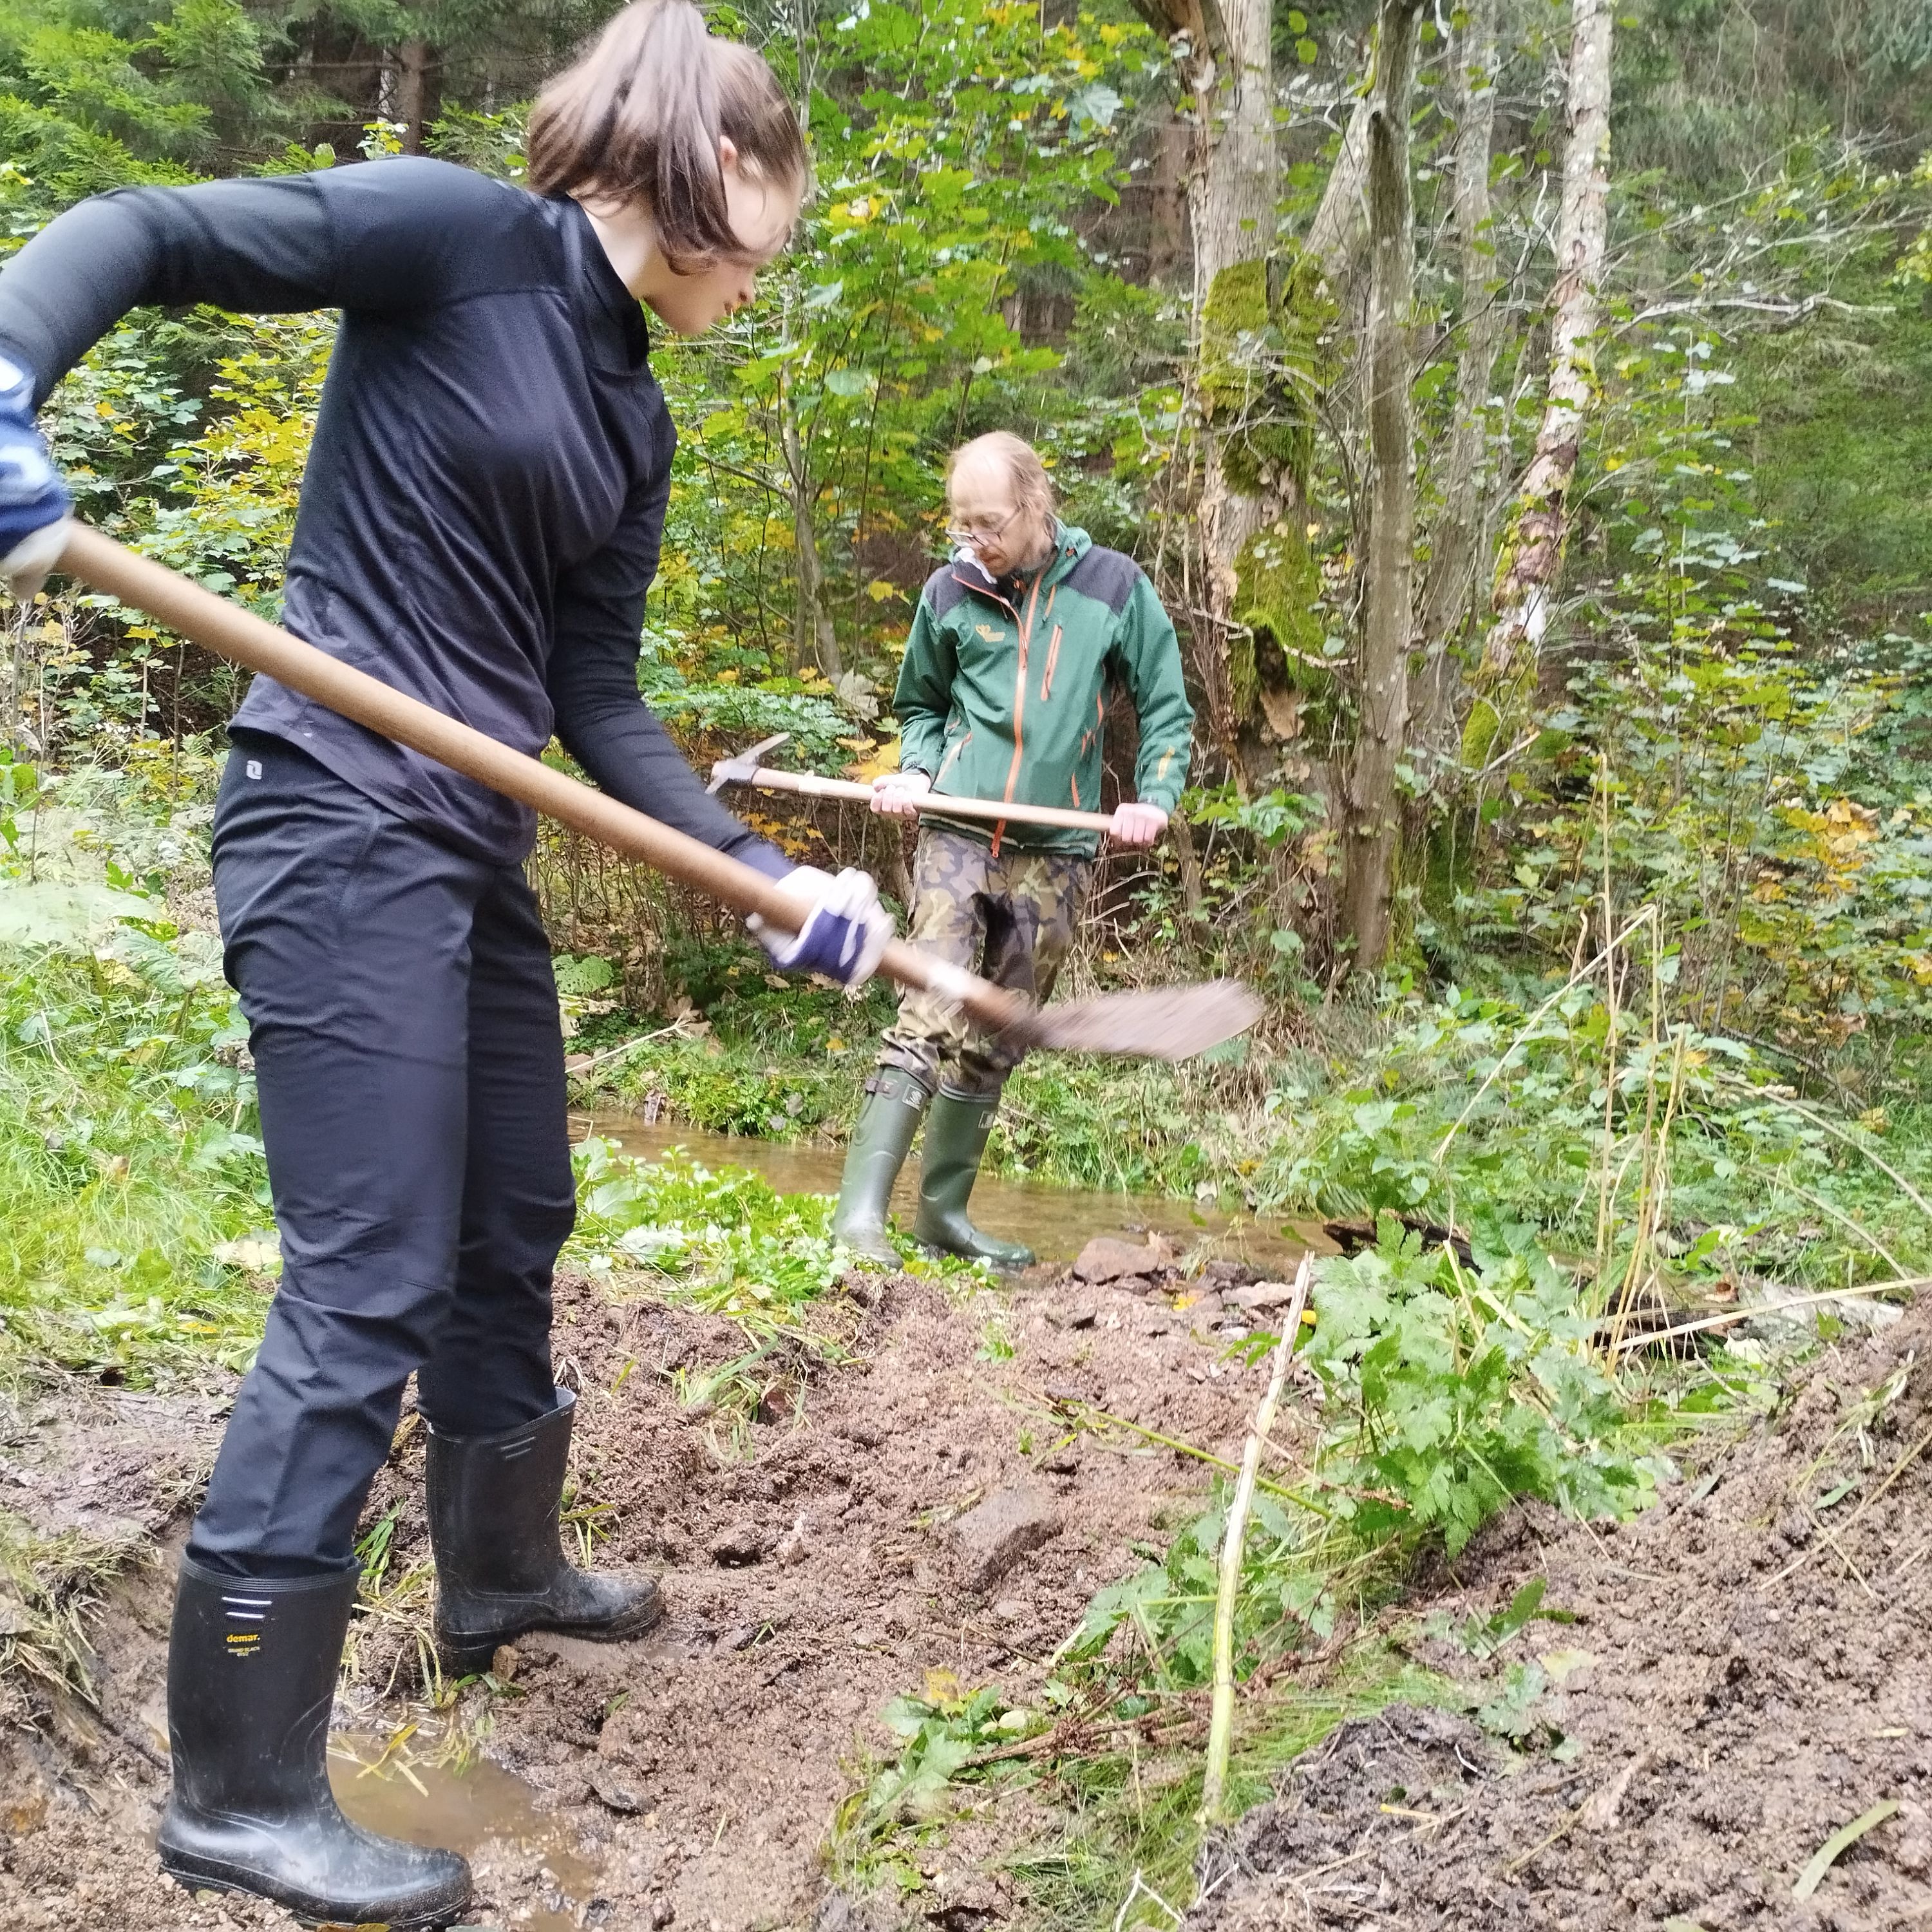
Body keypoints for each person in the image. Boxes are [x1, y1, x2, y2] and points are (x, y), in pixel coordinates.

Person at [0, 5, 893, 1925]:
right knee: (370, 1277)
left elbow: (592, 693)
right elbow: (144, 231)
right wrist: (6, 373)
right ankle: (238, 1789)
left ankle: (497, 1571)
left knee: (517, 1215)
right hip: (335, 819)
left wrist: (760, 870)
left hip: (469, 851)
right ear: (722, 169)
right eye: (787, 207)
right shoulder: (455, 236)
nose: (784, 258)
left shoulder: (630, 406)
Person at [832, 431, 1193, 1270]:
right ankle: (857, 1222)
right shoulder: (948, 590)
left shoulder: (1113, 586)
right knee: (925, 1010)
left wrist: (1153, 799)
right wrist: (917, 771)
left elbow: (1167, 710)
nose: (975, 543)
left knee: (1000, 1028)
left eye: (989, 524)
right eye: (961, 526)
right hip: (957, 830)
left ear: (1037, 503)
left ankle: (941, 1217)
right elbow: (918, 705)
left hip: (1058, 848)